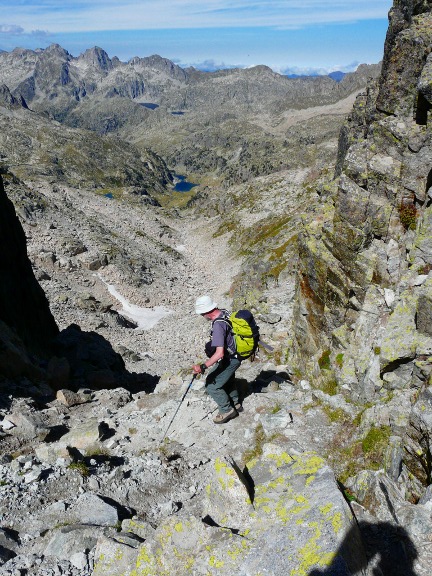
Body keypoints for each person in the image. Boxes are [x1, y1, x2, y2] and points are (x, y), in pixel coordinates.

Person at [192, 295, 243, 424]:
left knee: (211, 385)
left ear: (206, 312)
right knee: (228, 379)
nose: (202, 316)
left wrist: (203, 366)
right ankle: (235, 403)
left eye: (201, 314)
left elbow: (219, 354)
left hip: (230, 358)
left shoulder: (218, 325)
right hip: (236, 355)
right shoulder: (224, 313)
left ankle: (227, 410)